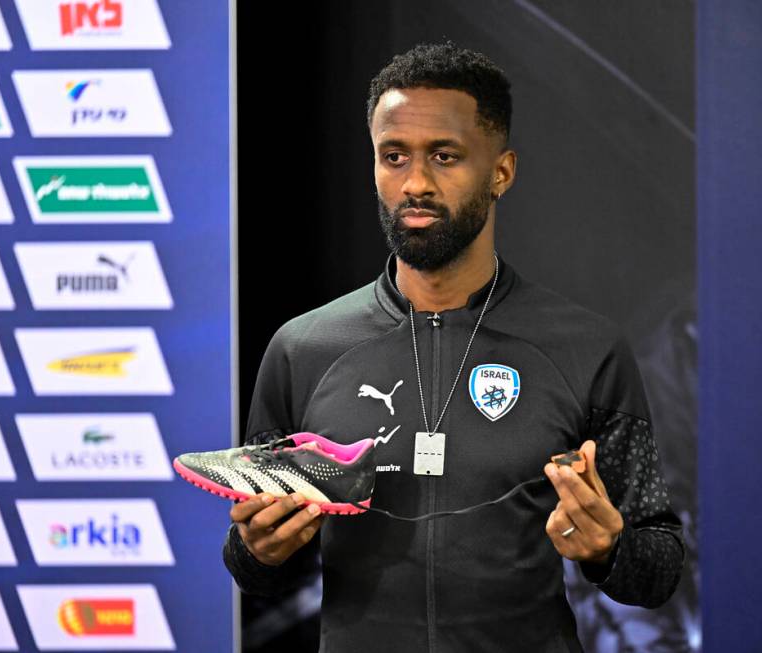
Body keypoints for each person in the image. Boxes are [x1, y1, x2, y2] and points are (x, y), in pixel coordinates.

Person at [224, 42, 684, 652]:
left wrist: (609, 550)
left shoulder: (585, 347)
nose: (416, 182)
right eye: (394, 157)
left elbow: (659, 565)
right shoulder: (303, 348)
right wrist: (258, 552)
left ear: (501, 171)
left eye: (445, 156)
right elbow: (255, 565)